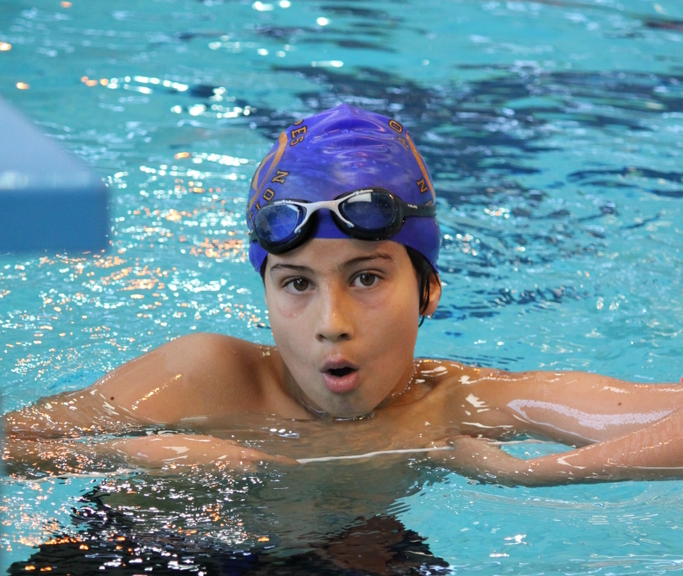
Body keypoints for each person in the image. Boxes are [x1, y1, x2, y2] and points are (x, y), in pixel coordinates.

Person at [4, 103, 683, 486]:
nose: (331, 322)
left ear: (429, 290)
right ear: (266, 295)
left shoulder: (461, 406)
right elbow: (13, 445)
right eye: (297, 284)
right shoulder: (201, 379)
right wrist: (117, 454)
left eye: (366, 278)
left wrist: (533, 474)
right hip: (142, 560)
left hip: (351, 569)